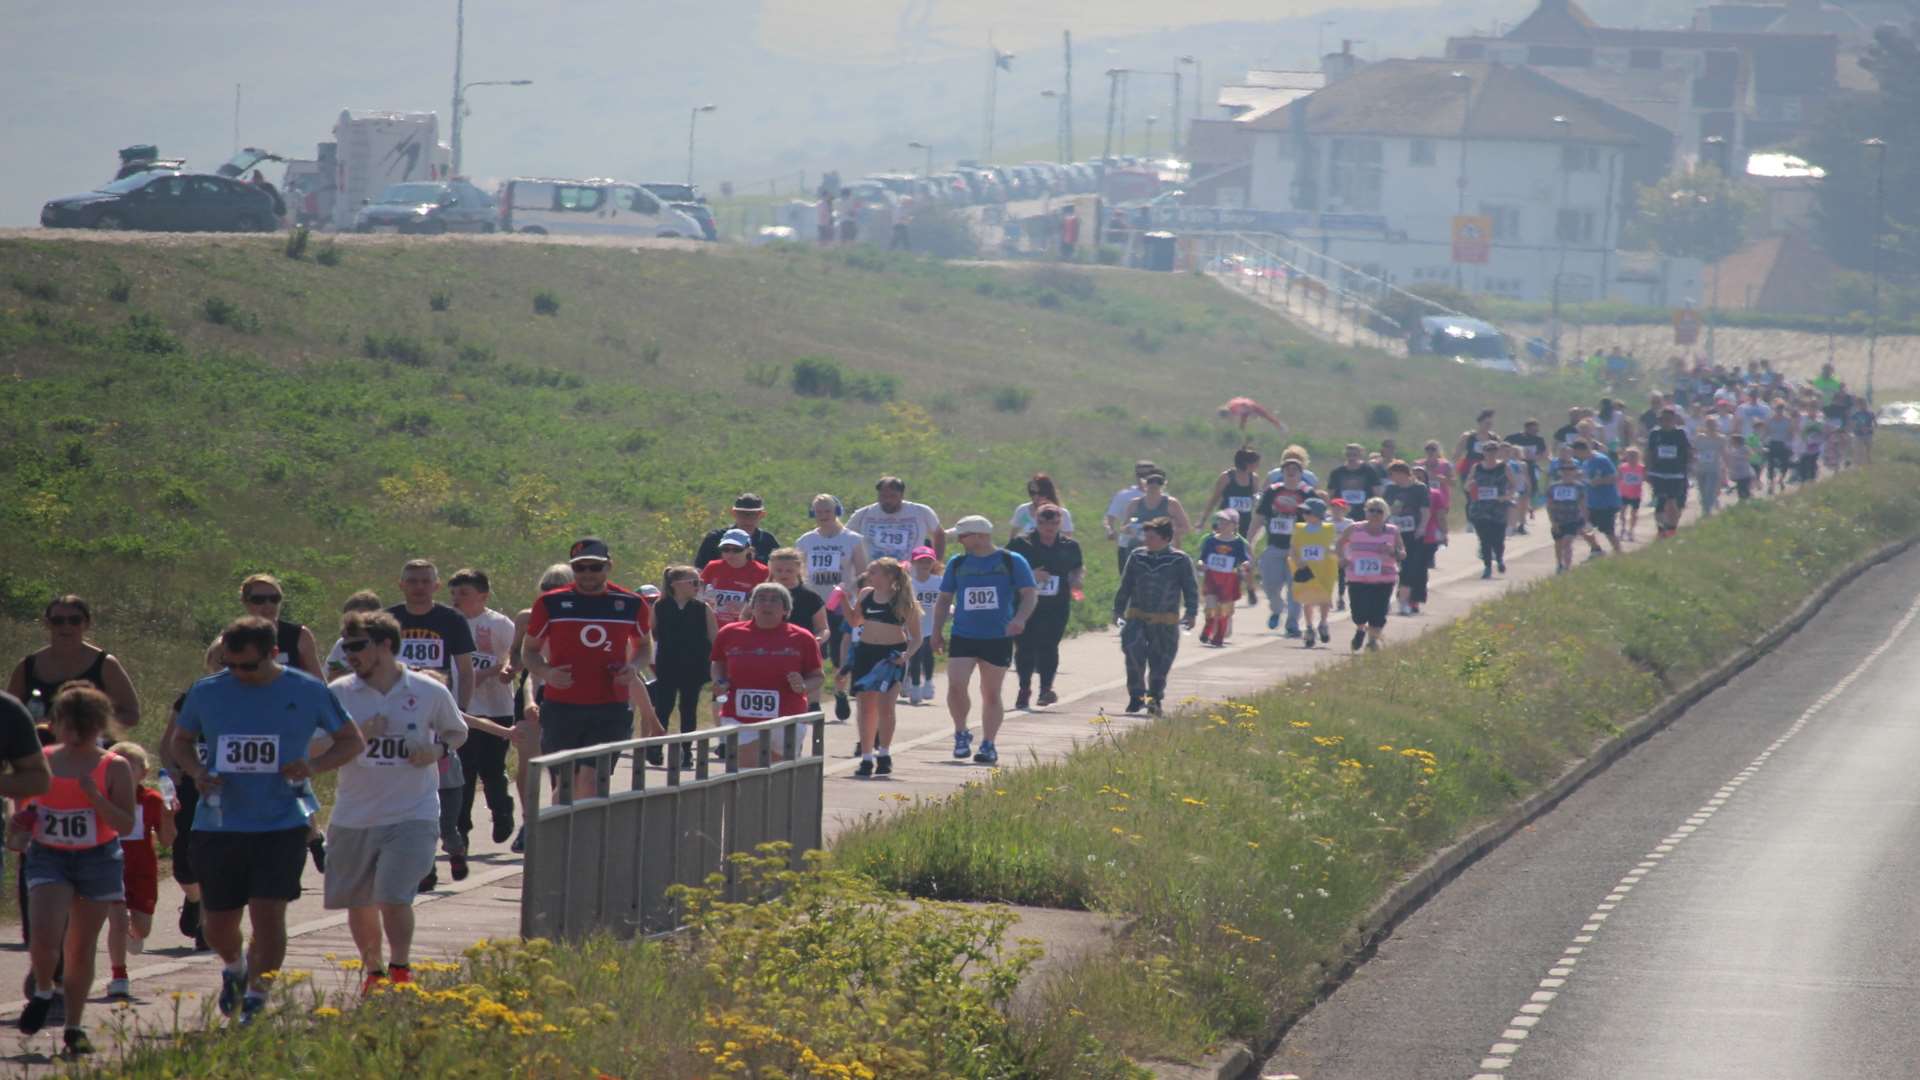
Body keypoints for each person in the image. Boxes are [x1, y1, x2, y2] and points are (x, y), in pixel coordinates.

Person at [168, 617, 364, 1023]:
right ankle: (236, 968)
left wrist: (312, 765)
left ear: (273, 654)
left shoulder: (307, 689)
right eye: (230, 665)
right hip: (219, 822)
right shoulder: (208, 691)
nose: (238, 674)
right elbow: (180, 742)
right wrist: (197, 772)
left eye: (248, 667)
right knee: (218, 923)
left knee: (268, 913)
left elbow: (351, 741)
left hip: (281, 821)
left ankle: (258, 993)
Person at [324, 610, 467, 992]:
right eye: (345, 645)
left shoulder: (427, 691)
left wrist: (435, 750)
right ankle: (374, 973)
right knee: (359, 901)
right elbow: (313, 746)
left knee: (392, 895)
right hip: (354, 814)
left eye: (357, 646)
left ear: (385, 645)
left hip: (412, 812)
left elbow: (457, 733)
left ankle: (401, 967)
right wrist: (357, 736)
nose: (348, 654)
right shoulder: (339, 694)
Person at [12, 686, 134, 1053]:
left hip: (97, 857)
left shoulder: (114, 765)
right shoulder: (42, 760)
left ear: (101, 725)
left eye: (86, 725)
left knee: (81, 947)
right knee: (44, 936)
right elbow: (19, 817)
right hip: (49, 855)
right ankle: (45, 990)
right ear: (56, 723)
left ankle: (74, 1026)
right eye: (69, 724)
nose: (76, 733)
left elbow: (126, 824)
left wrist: (95, 798)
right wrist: (19, 825)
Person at [519, 539, 655, 798]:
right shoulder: (550, 603)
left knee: (592, 782)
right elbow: (530, 651)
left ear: (609, 567)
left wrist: (633, 667)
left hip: (610, 707)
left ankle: (586, 838)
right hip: (562, 706)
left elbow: (644, 646)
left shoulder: (630, 603)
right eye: (580, 568)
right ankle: (552, 836)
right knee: (566, 783)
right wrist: (547, 673)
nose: (588, 574)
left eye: (595, 567)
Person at [931, 516, 1038, 764]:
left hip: (998, 636)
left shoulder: (1011, 561)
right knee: (956, 685)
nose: (959, 540)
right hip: (963, 634)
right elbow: (944, 599)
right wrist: (936, 631)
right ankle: (961, 732)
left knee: (990, 692)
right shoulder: (957, 563)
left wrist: (1020, 619)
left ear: (980, 536)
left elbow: (1030, 594)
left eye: (963, 535)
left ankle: (988, 743)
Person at [710, 583, 825, 767]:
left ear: (786, 610)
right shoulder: (730, 633)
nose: (767, 604)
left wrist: (803, 686)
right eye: (761, 599)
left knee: (780, 777)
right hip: (739, 715)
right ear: (752, 607)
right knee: (747, 773)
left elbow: (817, 676)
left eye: (774, 600)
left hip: (787, 715)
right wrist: (719, 681)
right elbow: (718, 662)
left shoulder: (802, 637)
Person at [505, 563, 575, 853]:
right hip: (532, 690)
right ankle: (528, 821)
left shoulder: (577, 618)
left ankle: (559, 817)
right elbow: (518, 652)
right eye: (546, 591)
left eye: (557, 592)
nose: (550, 598)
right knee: (529, 762)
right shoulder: (527, 617)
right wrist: (511, 666)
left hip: (567, 693)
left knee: (562, 763)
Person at [447, 569, 518, 847]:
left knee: (491, 768)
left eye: (464, 594)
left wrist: (496, 672)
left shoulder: (499, 623)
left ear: (483, 596)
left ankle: (502, 810)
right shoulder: (450, 622)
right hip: (460, 707)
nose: (456, 599)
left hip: (496, 707)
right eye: (453, 593)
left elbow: (512, 655)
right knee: (463, 770)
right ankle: (460, 829)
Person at [8, 596, 140, 731]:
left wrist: (86, 727)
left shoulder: (106, 664)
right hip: (38, 747)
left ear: (87, 623)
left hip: (92, 747)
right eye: (58, 621)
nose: (66, 626)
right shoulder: (27, 666)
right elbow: (7, 713)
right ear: (47, 623)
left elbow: (131, 714)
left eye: (75, 620)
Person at [102, 742, 169, 1001]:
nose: (125, 772)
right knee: (117, 920)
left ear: (144, 771)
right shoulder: (101, 797)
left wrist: (169, 816)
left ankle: (134, 928)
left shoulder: (152, 800)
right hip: (109, 867)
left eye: (132, 767)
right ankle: (119, 976)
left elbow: (167, 840)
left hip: (142, 872)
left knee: (141, 929)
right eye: (118, 765)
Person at [1111, 518, 1198, 715]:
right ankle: (1136, 696)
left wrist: (1191, 613)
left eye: (1152, 537)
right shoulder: (1136, 556)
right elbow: (1125, 585)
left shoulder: (1180, 560)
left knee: (1161, 662)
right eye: (1145, 536)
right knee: (1132, 653)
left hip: (1165, 620)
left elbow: (1190, 588)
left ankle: (1154, 698)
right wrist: (1117, 610)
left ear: (1166, 538)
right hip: (1137, 617)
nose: (1146, 540)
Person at [844, 560, 922, 777]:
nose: (869, 575)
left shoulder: (903, 600)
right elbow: (854, 621)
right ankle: (866, 757)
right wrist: (841, 599)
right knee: (865, 707)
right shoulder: (866, 593)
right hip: (866, 653)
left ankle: (884, 753)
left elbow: (916, 637)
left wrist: (906, 655)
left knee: (886, 706)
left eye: (874, 572)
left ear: (889, 576)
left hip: (891, 656)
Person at [795, 493, 869, 715]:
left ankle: (839, 691)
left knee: (839, 656)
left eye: (827, 511)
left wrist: (854, 597)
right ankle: (814, 702)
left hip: (840, 604)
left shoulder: (852, 539)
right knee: (813, 652)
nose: (823, 516)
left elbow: (863, 573)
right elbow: (798, 572)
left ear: (837, 512)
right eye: (818, 512)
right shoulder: (805, 540)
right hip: (813, 604)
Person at [1006, 505, 1083, 709]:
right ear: (1036, 522)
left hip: (1056, 605)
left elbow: (1077, 567)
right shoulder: (1020, 544)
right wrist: (1031, 574)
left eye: (1053, 522)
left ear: (1060, 523)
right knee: (1025, 647)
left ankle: (1046, 689)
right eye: (1043, 522)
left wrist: (1077, 580)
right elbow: (1006, 570)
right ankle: (1024, 689)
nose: (1048, 527)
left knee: (1049, 646)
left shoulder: (1070, 546)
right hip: (1025, 605)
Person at [649, 566, 718, 769]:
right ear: (675, 585)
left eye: (700, 583)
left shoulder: (702, 608)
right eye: (693, 582)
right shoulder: (660, 606)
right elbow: (651, 633)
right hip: (667, 664)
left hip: (694, 665)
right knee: (663, 707)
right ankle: (656, 747)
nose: (698, 586)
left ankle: (686, 751)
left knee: (688, 708)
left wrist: (717, 663)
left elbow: (714, 638)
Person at [386, 561, 476, 712]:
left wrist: (461, 709)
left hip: (437, 704)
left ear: (436, 585)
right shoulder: (386, 620)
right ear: (401, 585)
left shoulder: (453, 619)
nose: (419, 586)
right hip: (393, 704)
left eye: (426, 581)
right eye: (412, 581)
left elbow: (466, 671)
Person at [202, 575, 324, 680]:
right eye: (258, 600)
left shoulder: (299, 635)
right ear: (245, 601)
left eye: (274, 599)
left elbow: (319, 684)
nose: (268, 605)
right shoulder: (227, 641)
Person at [1250, 458, 1316, 636]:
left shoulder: (1308, 494)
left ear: (1301, 473)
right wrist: (1250, 540)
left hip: (1298, 550)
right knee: (1270, 584)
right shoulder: (1272, 491)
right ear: (1282, 472)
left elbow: (1317, 521)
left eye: (1295, 469)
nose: (1291, 471)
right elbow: (1259, 517)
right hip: (1274, 545)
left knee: (1295, 587)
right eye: (1287, 468)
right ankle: (1277, 608)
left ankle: (1292, 624)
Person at [1336, 498, 1406, 652]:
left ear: (1385, 514)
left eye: (1379, 511)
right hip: (1357, 578)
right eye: (1371, 510)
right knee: (1359, 612)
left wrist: (1392, 551)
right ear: (1366, 512)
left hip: (1384, 579)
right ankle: (1360, 630)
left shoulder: (1392, 531)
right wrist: (1342, 558)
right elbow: (1340, 543)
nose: (1375, 514)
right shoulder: (1354, 528)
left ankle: (1372, 641)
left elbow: (1402, 554)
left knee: (1378, 613)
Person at [848, 476, 944, 565]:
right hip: (874, 575)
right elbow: (845, 537)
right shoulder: (863, 514)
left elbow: (939, 534)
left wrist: (937, 563)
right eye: (883, 496)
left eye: (893, 496)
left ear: (902, 495)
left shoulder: (921, 512)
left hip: (910, 575)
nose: (888, 500)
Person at [1381, 462, 1431, 617]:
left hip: (1413, 534)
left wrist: (1422, 527)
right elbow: (1384, 510)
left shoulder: (1419, 488)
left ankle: (1404, 602)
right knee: (1388, 567)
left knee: (1409, 568)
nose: (1391, 478)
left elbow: (1425, 510)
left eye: (1393, 474)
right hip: (1393, 533)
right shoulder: (1391, 489)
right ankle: (1386, 601)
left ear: (1402, 473)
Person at [1196, 511, 1254, 647]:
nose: (1222, 524)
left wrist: (1246, 564)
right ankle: (1208, 628)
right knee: (1210, 605)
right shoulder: (1211, 540)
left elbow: (1244, 558)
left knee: (1224, 609)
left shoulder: (1238, 543)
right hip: (1212, 576)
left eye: (1226, 522)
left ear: (1235, 525)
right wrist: (1200, 564)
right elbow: (1202, 557)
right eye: (1220, 521)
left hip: (1229, 578)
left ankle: (1219, 636)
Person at [1288, 499, 1338, 647]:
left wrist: (1334, 551)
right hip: (1306, 569)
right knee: (1308, 599)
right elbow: (1293, 548)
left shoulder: (1329, 528)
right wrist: (1298, 562)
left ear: (1318, 514)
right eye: (1304, 512)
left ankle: (1323, 623)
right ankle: (1309, 627)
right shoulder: (1299, 528)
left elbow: (1334, 545)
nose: (1305, 515)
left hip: (1325, 569)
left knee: (1324, 598)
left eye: (1308, 512)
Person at [701, 530, 771, 626]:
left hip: (744, 627)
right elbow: (698, 594)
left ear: (748, 550)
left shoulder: (762, 572)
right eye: (725, 549)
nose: (730, 554)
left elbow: (769, 603)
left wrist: (746, 607)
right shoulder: (712, 567)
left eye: (737, 550)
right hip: (713, 626)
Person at [1465, 443, 1513, 578]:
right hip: (1480, 508)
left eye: (1493, 450)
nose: (1491, 453)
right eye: (1488, 451)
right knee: (1484, 539)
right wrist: (1470, 485)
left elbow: (1514, 486)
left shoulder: (1504, 467)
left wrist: (1506, 497)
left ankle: (1499, 558)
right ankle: (1487, 567)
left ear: (1497, 452)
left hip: (1498, 507)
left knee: (1498, 538)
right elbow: (1467, 485)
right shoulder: (1477, 467)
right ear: (1483, 452)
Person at [694, 493, 780, 568]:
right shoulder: (715, 538)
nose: (747, 518)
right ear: (733, 513)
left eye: (753, 514)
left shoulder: (768, 541)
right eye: (742, 513)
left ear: (762, 515)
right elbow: (701, 568)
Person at [1646, 408, 1693, 539]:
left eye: (1668, 420)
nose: (1665, 422)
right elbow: (1649, 453)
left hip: (1676, 473)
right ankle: (1661, 530)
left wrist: (1689, 468)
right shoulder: (1654, 434)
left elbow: (1688, 452)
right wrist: (1647, 471)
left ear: (1674, 420)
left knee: (1673, 502)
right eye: (1661, 420)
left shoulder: (1680, 434)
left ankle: (1672, 529)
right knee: (1660, 502)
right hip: (1658, 473)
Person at [1104, 461, 1158, 575]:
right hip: (1127, 545)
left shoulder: (1163, 496)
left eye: (1148, 475)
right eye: (1140, 475)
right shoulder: (1124, 495)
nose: (1143, 478)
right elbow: (1110, 517)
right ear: (1136, 475)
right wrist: (1110, 530)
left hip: (1155, 547)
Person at [1571, 440, 1622, 559]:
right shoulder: (1585, 462)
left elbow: (1615, 477)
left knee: (1607, 530)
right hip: (1592, 502)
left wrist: (1600, 481)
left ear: (1581, 450)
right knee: (1581, 525)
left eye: (1576, 453)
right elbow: (1586, 476)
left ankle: (1619, 552)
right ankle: (1596, 548)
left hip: (1606, 501)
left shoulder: (1601, 460)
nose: (1576, 456)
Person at [906, 548, 943, 705]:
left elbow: (945, 599)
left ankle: (928, 683)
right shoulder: (908, 583)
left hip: (931, 624)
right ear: (913, 563)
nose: (924, 564)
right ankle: (914, 686)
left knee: (928, 653)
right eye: (921, 561)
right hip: (913, 625)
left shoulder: (939, 582)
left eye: (928, 561)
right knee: (915, 656)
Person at [1410, 464, 1448, 613]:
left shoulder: (1435, 494)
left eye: (1421, 477)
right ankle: (1405, 596)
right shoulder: (1403, 493)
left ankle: (1416, 599)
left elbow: (1440, 516)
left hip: (1428, 537)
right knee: (1407, 569)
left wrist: (1444, 533)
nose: (1417, 479)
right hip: (1408, 536)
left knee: (1420, 569)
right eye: (1414, 476)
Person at [1123, 473, 1192, 553]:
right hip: (1138, 547)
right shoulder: (1134, 503)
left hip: (1165, 548)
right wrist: (1132, 529)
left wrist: (1163, 533)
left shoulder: (1171, 503)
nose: (1153, 489)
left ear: (1162, 487)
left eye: (1156, 487)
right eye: (1151, 486)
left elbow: (1186, 528)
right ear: (1145, 485)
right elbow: (1124, 527)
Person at [1545, 460, 1590, 574]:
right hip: (1558, 519)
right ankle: (1559, 564)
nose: (1568, 473)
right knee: (1558, 543)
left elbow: (1583, 504)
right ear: (1561, 472)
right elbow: (1549, 504)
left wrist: (1586, 520)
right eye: (1565, 470)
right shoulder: (1553, 487)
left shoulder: (1579, 487)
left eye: (1571, 470)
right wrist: (1552, 521)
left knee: (1567, 542)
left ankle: (1567, 567)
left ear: (1575, 472)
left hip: (1573, 519)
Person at [324, 591, 385, 677]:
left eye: (359, 619)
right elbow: (326, 674)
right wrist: (332, 676)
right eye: (350, 620)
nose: (354, 624)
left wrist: (348, 677)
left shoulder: (385, 644)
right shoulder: (341, 644)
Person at [1207, 448, 1263, 539]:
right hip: (1225, 521)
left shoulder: (1254, 478)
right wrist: (1203, 520)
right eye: (1256, 463)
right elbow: (1214, 499)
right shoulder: (1226, 477)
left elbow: (1256, 499)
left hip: (1245, 522)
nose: (1257, 466)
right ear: (1247, 463)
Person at [1327, 444, 1385, 523]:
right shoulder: (1337, 472)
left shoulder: (1369, 471)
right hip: (1342, 512)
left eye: (1354, 455)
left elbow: (1377, 493)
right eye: (1348, 455)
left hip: (1364, 512)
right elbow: (1331, 494)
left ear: (1360, 455)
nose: (1351, 457)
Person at [1009, 473, 1076, 539]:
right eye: (1033, 493)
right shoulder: (1023, 510)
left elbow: (1067, 539)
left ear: (1048, 492)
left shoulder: (1062, 514)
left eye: (1041, 493)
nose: (1036, 496)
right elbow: (1013, 536)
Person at [1693, 418, 1728, 517]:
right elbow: (1694, 451)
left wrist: (1728, 466)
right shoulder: (1700, 438)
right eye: (1708, 425)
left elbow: (1724, 453)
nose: (1711, 427)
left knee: (1710, 490)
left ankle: (1707, 511)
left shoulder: (1721, 439)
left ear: (1716, 426)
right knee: (1702, 491)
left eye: (1713, 424)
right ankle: (1706, 507)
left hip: (1714, 468)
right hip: (1700, 468)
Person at [1453, 410, 1499, 478]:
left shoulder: (1495, 438)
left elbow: (1498, 456)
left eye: (1490, 424)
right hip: (1469, 470)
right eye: (1486, 423)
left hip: (1487, 471)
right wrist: (1453, 468)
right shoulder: (1468, 436)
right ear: (1480, 422)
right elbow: (1457, 454)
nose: (1488, 426)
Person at [1763, 401, 1796, 495]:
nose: (1779, 411)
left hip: (1783, 444)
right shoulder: (1770, 419)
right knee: (1771, 464)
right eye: (1777, 409)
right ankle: (1771, 484)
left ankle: (1781, 479)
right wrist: (1763, 441)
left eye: (1781, 409)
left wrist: (1791, 444)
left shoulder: (1788, 420)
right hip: (1772, 443)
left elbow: (1791, 433)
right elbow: (1766, 431)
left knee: (1784, 464)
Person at [1618, 448, 1647, 541]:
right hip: (1624, 493)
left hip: (1636, 494)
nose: (1632, 458)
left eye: (1634, 456)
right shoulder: (1622, 467)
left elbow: (1645, 478)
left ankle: (1631, 531)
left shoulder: (1642, 468)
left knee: (1634, 514)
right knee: (1622, 512)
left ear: (1638, 457)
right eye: (1629, 456)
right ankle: (1622, 528)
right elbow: (1618, 478)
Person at [1216, 397, 1288, 435]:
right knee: (1242, 426)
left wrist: (1253, 413)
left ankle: (1281, 426)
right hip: (1246, 410)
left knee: (1267, 416)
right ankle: (1242, 436)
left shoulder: (1234, 408)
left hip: (1251, 407)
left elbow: (1245, 405)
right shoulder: (1231, 405)